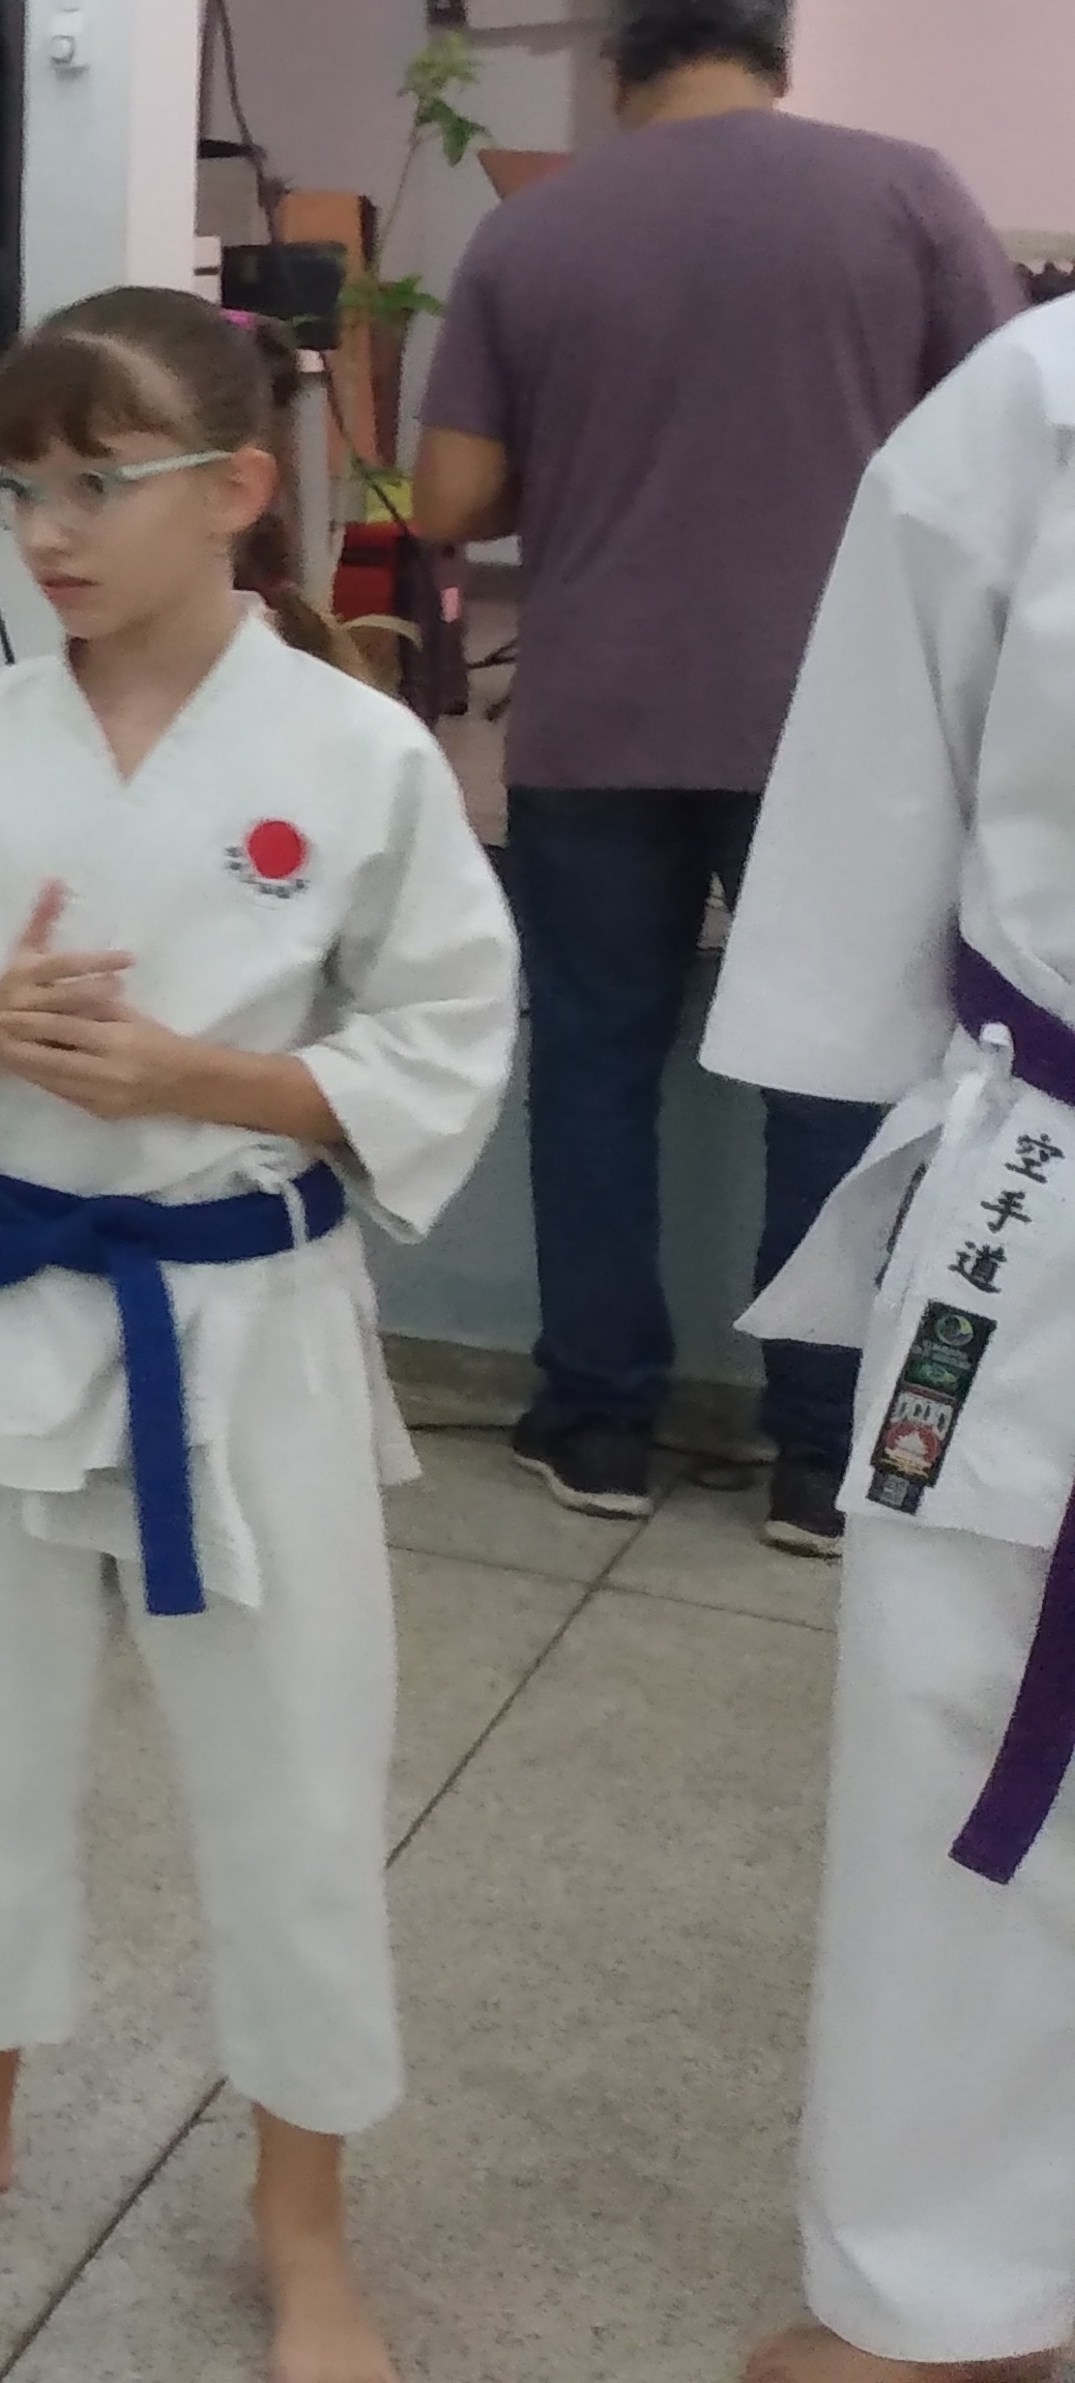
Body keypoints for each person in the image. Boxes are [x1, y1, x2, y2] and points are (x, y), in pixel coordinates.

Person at [0, 288, 520, 2383]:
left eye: (100, 483)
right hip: (6, 1304)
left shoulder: (352, 754)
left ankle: (302, 2222)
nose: (48, 531)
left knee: (289, 1779)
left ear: (238, 489)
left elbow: (448, 1040)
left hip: (243, 1319)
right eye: (21, 489)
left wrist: (206, 1077)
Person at [410, 0, 1021, 1552]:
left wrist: (596, 454)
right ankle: (822, 1451)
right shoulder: (907, 195)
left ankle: (598, 1421)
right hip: (842, 726)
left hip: (594, 717)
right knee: (836, 1067)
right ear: (780, 56)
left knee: (594, 1063)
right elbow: (1011, 438)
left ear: (617, 70)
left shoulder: (529, 231)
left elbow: (453, 499)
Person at [702, 294, 1075, 2383]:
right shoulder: (1035, 405)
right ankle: (944, 2296)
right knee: (963, 1716)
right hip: (1050, 1192)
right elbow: (873, 789)